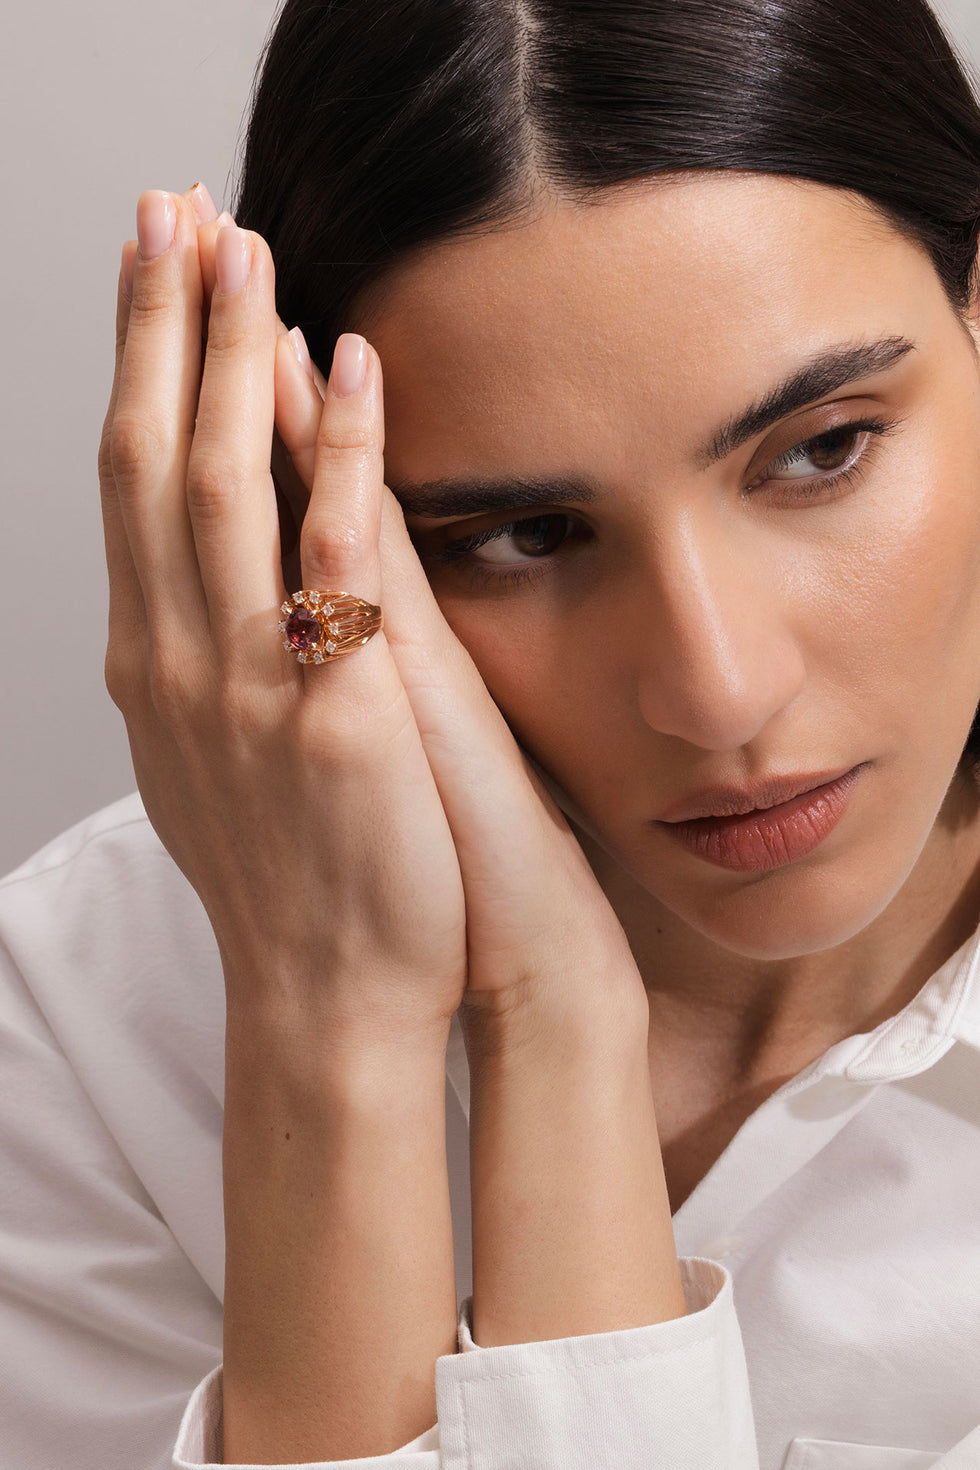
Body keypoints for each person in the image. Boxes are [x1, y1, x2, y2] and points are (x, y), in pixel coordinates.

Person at [3, 0, 980, 1464]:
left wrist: (549, 1017)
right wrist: (339, 1031)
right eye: (524, 532)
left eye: (823, 448)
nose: (716, 690)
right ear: (318, 516)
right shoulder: (89, 1031)